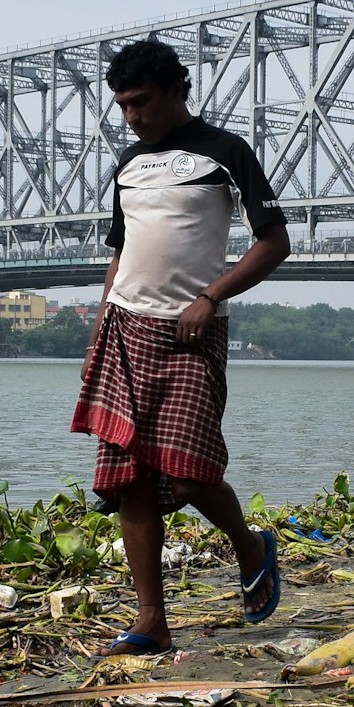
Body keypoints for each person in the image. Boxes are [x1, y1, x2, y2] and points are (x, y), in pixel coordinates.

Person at [70, 38, 292, 657]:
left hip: (192, 331)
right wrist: (101, 315)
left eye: (141, 102)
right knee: (130, 479)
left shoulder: (226, 153)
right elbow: (123, 251)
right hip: (123, 329)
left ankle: (250, 545)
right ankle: (151, 622)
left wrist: (210, 297)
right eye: (122, 106)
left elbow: (274, 243)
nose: (132, 116)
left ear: (177, 89)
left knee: (189, 473)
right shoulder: (128, 163)